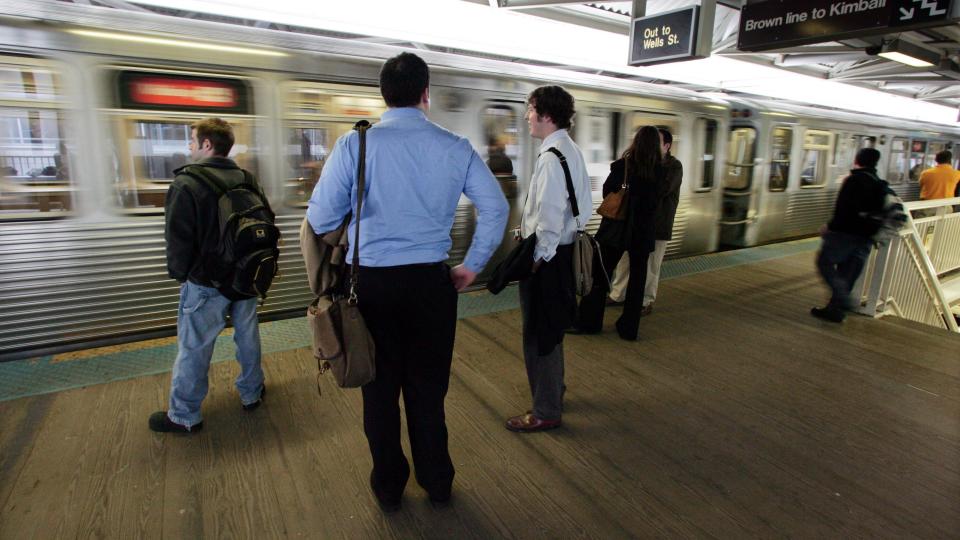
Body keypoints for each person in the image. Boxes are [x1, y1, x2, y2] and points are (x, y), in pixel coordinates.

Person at [307, 52, 508, 511]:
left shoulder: (354, 146)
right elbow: (495, 208)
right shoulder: (455, 147)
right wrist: (472, 265)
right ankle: (438, 483)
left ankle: (389, 487)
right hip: (431, 288)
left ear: (383, 96)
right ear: (425, 95)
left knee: (378, 394)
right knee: (428, 391)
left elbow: (320, 218)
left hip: (370, 289)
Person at [149, 118, 268, 433]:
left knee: (195, 347)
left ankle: (185, 415)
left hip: (205, 283)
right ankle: (251, 393)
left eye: (191, 140)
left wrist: (182, 275)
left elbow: (178, 239)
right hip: (245, 277)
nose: (188, 147)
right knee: (248, 337)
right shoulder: (247, 178)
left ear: (206, 144)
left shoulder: (186, 183)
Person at [504, 85, 592, 434]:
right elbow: (578, 209)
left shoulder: (551, 158)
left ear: (546, 115)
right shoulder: (570, 151)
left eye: (531, 110)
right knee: (552, 331)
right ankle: (554, 391)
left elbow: (551, 219)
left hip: (548, 261)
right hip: (563, 253)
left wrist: (536, 257)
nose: (527, 116)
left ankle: (545, 410)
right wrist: (526, 229)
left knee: (538, 335)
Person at [573, 126, 664, 341]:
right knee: (637, 280)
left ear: (636, 142)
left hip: (616, 230)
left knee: (600, 275)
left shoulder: (623, 166)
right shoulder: (660, 171)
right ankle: (629, 328)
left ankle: (590, 322)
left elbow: (607, 192)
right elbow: (657, 202)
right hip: (642, 233)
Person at [607, 128, 682, 314]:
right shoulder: (643, 164)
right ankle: (618, 294)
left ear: (667, 146)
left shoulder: (673, 166)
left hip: (659, 224)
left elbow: (662, 190)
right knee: (625, 261)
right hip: (636, 224)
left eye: (657, 144)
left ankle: (646, 300)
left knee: (651, 265)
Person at [812, 147, 887, 323]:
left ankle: (843, 298)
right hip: (867, 236)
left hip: (845, 234)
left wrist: (829, 227)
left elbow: (843, 209)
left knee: (824, 262)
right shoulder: (879, 183)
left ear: (857, 160)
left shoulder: (853, 180)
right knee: (849, 273)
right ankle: (835, 311)